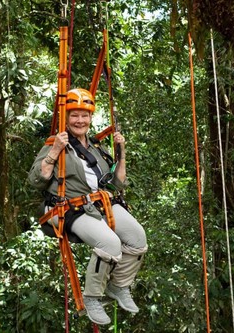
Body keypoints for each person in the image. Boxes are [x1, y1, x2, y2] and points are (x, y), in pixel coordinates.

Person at [28, 88, 148, 325]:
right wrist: (54, 151)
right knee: (110, 243)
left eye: (84, 115)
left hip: (99, 203)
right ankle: (92, 297)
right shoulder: (56, 143)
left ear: (91, 117)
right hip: (66, 207)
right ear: (66, 117)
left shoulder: (95, 147)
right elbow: (35, 181)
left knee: (137, 238)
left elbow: (118, 183)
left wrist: (121, 154)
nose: (79, 120)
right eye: (74, 115)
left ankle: (118, 286)